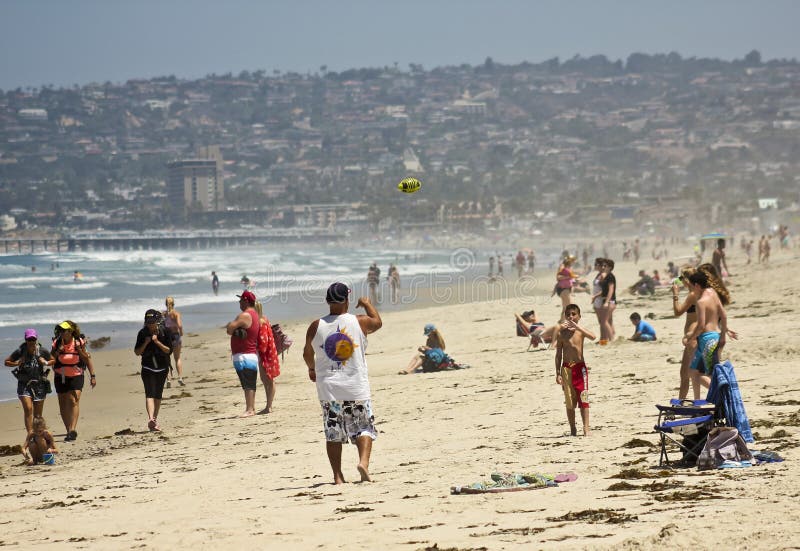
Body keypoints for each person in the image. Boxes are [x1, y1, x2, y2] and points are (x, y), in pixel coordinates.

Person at [303, 282, 382, 484]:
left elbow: (307, 353)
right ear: (346, 300)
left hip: (329, 389)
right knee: (363, 427)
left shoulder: (316, 325)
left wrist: (312, 368)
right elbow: (378, 322)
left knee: (333, 432)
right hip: (356, 386)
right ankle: (363, 463)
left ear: (328, 301)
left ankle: (338, 476)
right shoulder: (359, 322)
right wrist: (366, 303)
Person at [683, 270, 731, 394]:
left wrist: (690, 339)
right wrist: (723, 336)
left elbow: (701, 325)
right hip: (714, 336)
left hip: (706, 341)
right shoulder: (713, 293)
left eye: (692, 287)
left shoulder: (700, 302)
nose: (692, 290)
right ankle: (698, 402)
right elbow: (724, 315)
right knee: (692, 371)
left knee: (704, 375)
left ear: (697, 285)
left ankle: (722, 395)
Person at [554, 304, 596, 436]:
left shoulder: (580, 332)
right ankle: (573, 428)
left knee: (583, 397)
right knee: (569, 400)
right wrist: (558, 373)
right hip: (567, 368)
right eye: (568, 314)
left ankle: (586, 428)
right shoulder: (561, 333)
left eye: (573, 314)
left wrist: (578, 327)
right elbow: (558, 354)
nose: (571, 316)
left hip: (579, 368)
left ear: (579, 316)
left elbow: (593, 337)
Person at [51, 321, 96, 441]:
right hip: (60, 376)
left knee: (73, 400)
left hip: (77, 375)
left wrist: (93, 376)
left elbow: (87, 359)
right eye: (61, 330)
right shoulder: (57, 343)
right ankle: (68, 431)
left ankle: (72, 429)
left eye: (64, 330)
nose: (62, 332)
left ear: (70, 332)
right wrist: (58, 351)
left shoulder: (78, 342)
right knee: (62, 402)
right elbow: (51, 360)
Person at [4, 329, 54, 434]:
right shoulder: (20, 351)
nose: (31, 341)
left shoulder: (42, 351)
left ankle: (37, 434)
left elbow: (53, 360)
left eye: (33, 339)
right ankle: (30, 434)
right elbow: (7, 362)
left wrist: (44, 362)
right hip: (24, 384)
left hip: (39, 384)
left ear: (36, 339)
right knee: (28, 408)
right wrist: (17, 363)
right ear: (26, 339)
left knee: (38, 415)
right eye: (29, 339)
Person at [134, 309, 173, 432]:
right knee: (149, 394)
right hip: (147, 367)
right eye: (148, 322)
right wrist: (146, 343)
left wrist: (157, 342)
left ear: (157, 321)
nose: (150, 324)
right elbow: (137, 352)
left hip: (162, 368)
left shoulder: (165, 332)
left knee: (158, 395)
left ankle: (154, 419)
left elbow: (169, 350)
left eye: (152, 322)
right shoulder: (142, 333)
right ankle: (151, 419)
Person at [226, 290, 260, 417]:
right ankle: (251, 407)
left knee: (247, 383)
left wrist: (232, 327)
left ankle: (250, 409)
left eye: (240, 300)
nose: (239, 302)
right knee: (249, 382)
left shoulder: (245, 315)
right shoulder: (254, 314)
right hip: (249, 353)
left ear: (246, 301)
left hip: (244, 354)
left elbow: (229, 329)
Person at [672, 267, 701, 400]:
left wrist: (675, 295)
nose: (681, 281)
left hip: (693, 338)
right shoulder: (696, 293)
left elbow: (678, 312)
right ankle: (680, 402)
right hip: (690, 338)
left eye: (682, 278)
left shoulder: (694, 295)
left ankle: (697, 401)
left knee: (694, 373)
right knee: (684, 373)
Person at [254, 301, 280, 414]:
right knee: (266, 380)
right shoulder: (263, 319)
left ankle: (269, 406)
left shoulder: (261, 322)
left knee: (268, 380)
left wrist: (255, 347)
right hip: (267, 353)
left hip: (266, 355)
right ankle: (268, 405)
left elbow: (263, 342)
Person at [163, 296, 185, 388]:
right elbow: (179, 325)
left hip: (166, 337)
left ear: (165, 304)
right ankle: (180, 378)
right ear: (174, 303)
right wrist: (181, 332)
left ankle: (168, 379)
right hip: (175, 336)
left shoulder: (164, 314)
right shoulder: (176, 314)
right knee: (177, 358)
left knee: (167, 359)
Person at [596, 259, 616, 344]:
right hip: (607, 300)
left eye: (605, 266)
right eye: (603, 266)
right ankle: (608, 339)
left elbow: (611, 290)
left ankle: (611, 340)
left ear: (610, 267)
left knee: (604, 321)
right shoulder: (606, 276)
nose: (603, 267)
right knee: (609, 321)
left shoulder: (610, 276)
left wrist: (607, 302)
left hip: (610, 301)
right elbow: (604, 290)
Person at [554, 256, 578, 320]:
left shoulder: (568, 267)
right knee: (569, 306)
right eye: (572, 260)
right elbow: (558, 277)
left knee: (566, 307)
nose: (573, 262)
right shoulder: (562, 266)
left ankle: (562, 321)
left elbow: (570, 276)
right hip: (563, 288)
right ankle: (565, 322)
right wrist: (569, 277)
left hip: (566, 288)